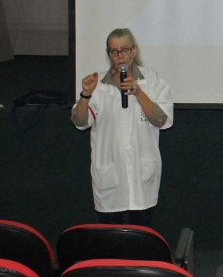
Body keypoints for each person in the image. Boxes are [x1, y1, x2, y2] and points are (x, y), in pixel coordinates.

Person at [71, 28, 174, 227]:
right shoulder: (97, 85)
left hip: (142, 174)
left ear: (134, 50)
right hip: (109, 176)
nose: (120, 56)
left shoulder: (153, 81)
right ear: (108, 54)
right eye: (114, 51)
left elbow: (162, 121)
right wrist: (85, 94)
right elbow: (80, 122)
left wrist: (139, 93)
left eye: (125, 50)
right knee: (110, 237)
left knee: (141, 236)